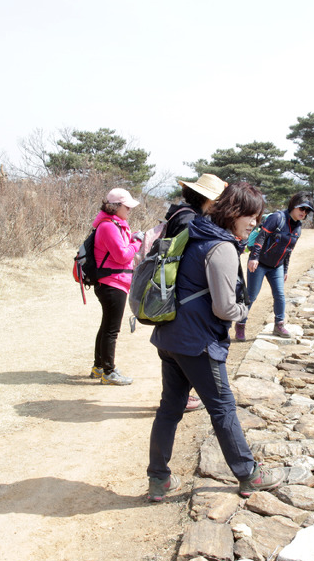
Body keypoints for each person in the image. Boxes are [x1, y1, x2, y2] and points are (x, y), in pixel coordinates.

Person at [146, 181, 287, 502]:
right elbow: (224, 308)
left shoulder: (195, 232)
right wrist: (243, 309)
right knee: (222, 407)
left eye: (258, 216)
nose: (255, 223)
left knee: (169, 408)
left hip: (170, 334)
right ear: (233, 212)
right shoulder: (221, 247)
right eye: (250, 216)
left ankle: (159, 479)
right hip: (197, 342)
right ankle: (248, 473)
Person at [163, 173, 228, 412]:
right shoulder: (190, 220)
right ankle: (181, 397)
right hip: (181, 292)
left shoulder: (180, 213)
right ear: (208, 200)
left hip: (172, 289)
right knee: (182, 347)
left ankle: (179, 396)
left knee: (174, 348)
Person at [237, 192, 314, 340]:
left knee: (279, 295)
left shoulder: (298, 228)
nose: (303, 213)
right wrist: (254, 257)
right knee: (251, 296)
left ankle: (279, 325)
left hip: (277, 266)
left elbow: (288, 251)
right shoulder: (277, 218)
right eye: (301, 208)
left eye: (307, 211)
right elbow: (261, 236)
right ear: (293, 206)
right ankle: (241, 325)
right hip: (259, 263)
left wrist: (285, 269)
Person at [89, 187, 143, 386]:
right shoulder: (109, 226)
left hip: (112, 282)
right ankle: (109, 372)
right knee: (112, 330)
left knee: (106, 327)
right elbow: (122, 255)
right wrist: (136, 243)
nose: (130, 210)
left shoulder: (114, 224)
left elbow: (120, 248)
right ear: (116, 206)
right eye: (127, 206)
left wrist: (133, 237)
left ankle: (99, 367)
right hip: (112, 283)